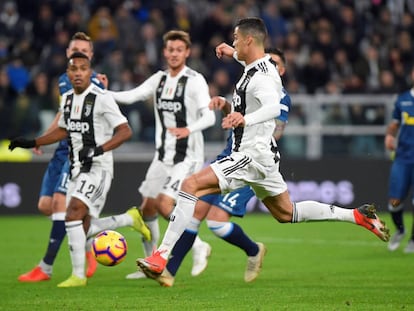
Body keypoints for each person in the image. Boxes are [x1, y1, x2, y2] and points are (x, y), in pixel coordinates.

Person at [136, 17, 390, 281]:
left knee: (190, 186)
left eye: (235, 38)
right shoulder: (257, 64)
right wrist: (230, 54)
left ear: (248, 40)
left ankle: (161, 256)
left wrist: (246, 119)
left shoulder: (262, 78)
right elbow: (248, 61)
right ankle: (357, 216)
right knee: (286, 213)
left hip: (249, 155)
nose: (233, 42)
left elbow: (273, 108)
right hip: (264, 159)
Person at [155, 47, 291, 287]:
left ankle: (253, 250)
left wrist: (250, 128)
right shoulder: (252, 82)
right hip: (228, 155)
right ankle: (168, 272)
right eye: (269, 61)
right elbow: (239, 116)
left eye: (277, 63)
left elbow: (274, 131)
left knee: (216, 222)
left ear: (282, 69)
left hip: (251, 163)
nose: (272, 66)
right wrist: (226, 108)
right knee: (195, 213)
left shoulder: (280, 97)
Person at [9, 52, 146, 288]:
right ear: (69, 73)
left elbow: (125, 131)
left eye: (84, 68)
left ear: (90, 72)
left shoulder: (101, 98)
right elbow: (63, 130)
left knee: (71, 213)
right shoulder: (68, 100)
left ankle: (78, 276)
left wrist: (99, 150)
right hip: (76, 169)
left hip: (99, 168)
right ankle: (128, 218)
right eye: (74, 69)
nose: (79, 73)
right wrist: (34, 143)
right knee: (82, 226)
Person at [110, 30, 216, 279]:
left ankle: (199, 246)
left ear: (187, 52)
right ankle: (151, 265)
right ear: (164, 52)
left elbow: (210, 116)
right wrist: (103, 93)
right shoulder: (158, 79)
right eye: (170, 49)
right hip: (162, 156)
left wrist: (187, 129)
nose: (174, 54)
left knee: (164, 203)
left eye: (179, 49)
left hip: (187, 156)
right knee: (147, 207)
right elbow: (133, 95)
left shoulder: (195, 80)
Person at [17, 32, 110, 283]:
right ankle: (89, 239)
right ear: (67, 53)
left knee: (60, 204)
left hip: (77, 152)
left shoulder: (94, 83)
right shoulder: (63, 79)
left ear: (90, 56)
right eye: (73, 50)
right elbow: (64, 114)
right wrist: (43, 139)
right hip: (61, 149)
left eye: (83, 50)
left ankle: (45, 267)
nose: (76, 53)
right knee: (45, 206)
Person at [385, 66, 414, 253]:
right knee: (394, 202)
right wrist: (389, 135)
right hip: (403, 157)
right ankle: (400, 230)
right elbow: (395, 123)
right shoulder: (403, 100)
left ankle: (413, 239)